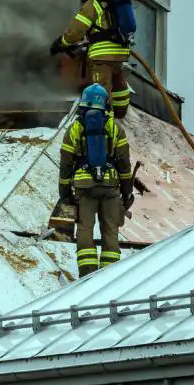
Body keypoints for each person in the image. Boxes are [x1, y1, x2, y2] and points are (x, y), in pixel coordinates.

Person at [59, 84, 134, 277]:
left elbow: (66, 164)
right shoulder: (115, 128)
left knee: (85, 228)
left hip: (84, 186)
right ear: (106, 103)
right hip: (110, 186)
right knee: (110, 230)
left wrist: (65, 193)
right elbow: (124, 165)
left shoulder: (74, 129)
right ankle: (108, 275)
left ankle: (87, 272)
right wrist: (127, 193)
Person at [50, 0, 132, 118]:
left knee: (100, 91)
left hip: (101, 56)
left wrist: (62, 42)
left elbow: (76, 31)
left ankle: (104, 122)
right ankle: (120, 112)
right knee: (118, 83)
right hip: (119, 53)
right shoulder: (111, 1)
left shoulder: (93, 4)